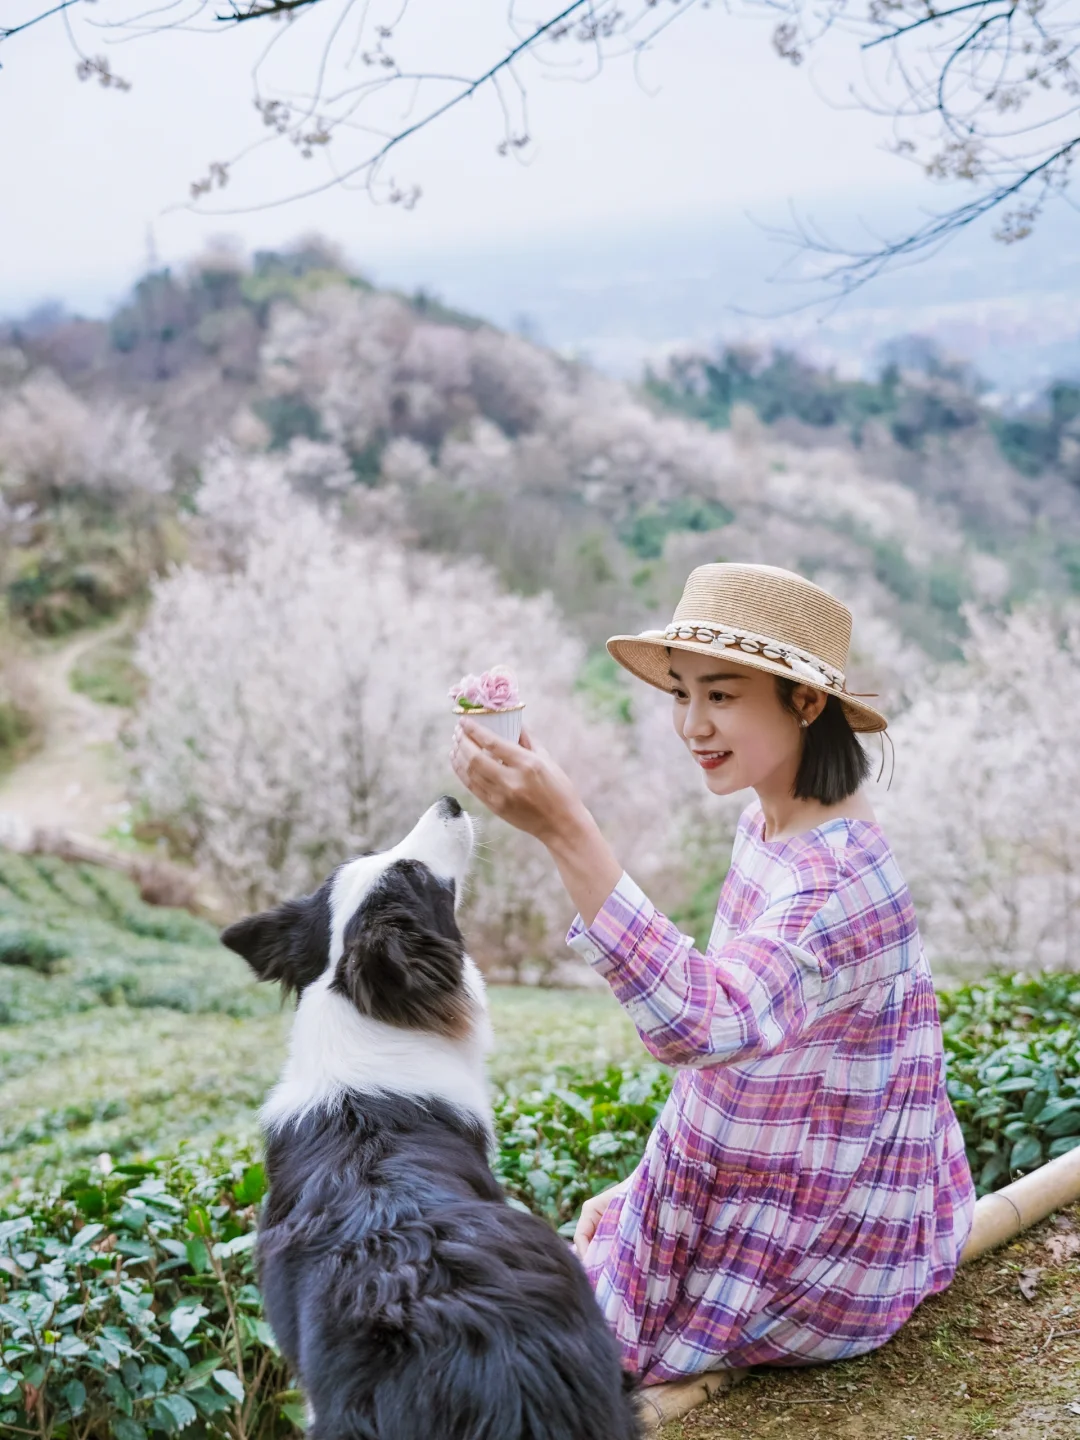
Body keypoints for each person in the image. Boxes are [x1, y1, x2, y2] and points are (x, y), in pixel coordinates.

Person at [449, 561, 976, 1387]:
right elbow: (742, 1064)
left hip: (834, 1258)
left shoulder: (834, 883)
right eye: (680, 694)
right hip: (789, 1198)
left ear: (806, 702)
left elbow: (705, 1022)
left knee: (498, 1333)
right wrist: (642, 1188)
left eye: (722, 696)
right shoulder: (767, 825)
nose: (693, 724)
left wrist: (568, 833)